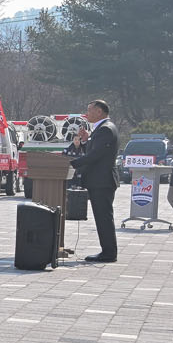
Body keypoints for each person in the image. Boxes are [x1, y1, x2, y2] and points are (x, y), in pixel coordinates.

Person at [73, 99, 120, 263]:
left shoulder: (105, 129)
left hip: (102, 180)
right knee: (102, 217)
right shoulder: (101, 129)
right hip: (100, 180)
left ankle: (109, 253)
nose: (87, 113)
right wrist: (86, 140)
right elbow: (94, 150)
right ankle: (107, 251)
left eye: (89, 110)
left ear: (99, 111)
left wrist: (73, 163)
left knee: (103, 217)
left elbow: (95, 155)